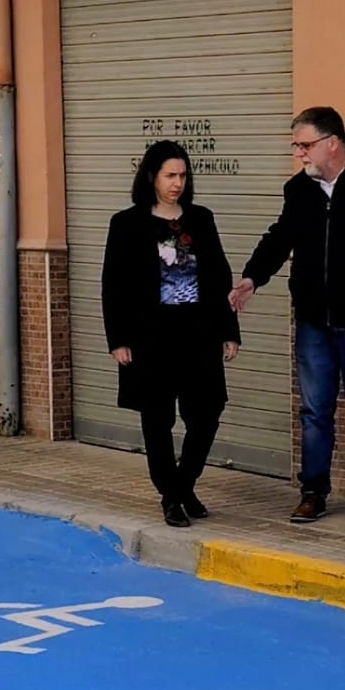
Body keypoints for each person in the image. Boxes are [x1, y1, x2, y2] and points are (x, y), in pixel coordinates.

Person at [229, 106, 345, 524]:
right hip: (314, 320)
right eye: (296, 146)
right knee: (315, 413)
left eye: (305, 145)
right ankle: (313, 492)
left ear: (332, 143)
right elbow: (280, 237)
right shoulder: (299, 190)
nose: (299, 153)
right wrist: (252, 278)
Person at [101, 141, 241, 528]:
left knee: (207, 413)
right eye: (170, 175)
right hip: (151, 337)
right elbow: (114, 285)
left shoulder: (201, 219)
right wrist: (118, 339)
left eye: (182, 175)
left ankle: (182, 486)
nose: (177, 183)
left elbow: (220, 276)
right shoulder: (127, 223)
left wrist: (229, 330)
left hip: (199, 334)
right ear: (152, 177)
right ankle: (172, 495)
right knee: (157, 419)